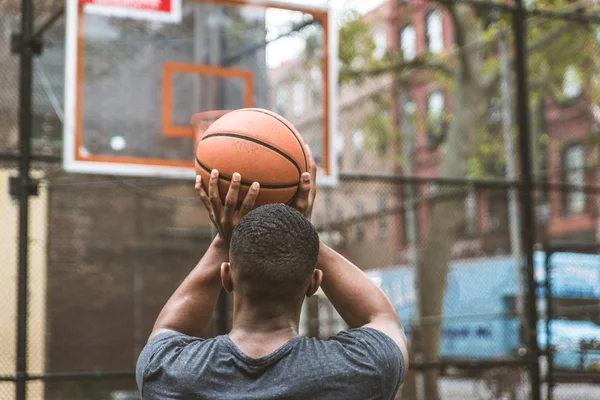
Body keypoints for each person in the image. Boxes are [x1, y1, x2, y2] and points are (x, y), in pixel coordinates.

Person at [136, 147, 409, 399]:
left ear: (226, 277)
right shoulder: (359, 370)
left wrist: (224, 238)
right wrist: (303, 232)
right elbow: (383, 319)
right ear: (314, 282)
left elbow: (170, 329)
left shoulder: (169, 372)